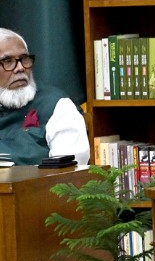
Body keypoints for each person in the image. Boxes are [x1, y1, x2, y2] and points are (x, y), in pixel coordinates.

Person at [0, 28, 90, 165]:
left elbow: (69, 171)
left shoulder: (57, 105)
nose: (20, 68)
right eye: (7, 61)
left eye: (24, 59)